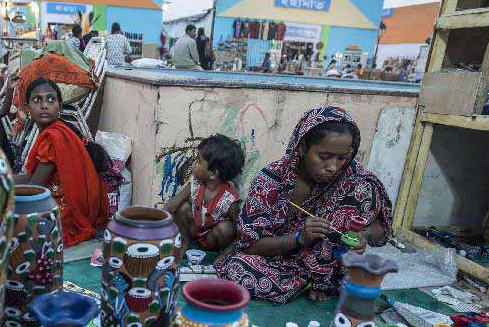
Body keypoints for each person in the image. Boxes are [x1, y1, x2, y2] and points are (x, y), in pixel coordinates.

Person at [215, 106, 392, 303]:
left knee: (361, 190)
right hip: (281, 260)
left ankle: (323, 280)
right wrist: (300, 238)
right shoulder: (271, 181)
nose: (333, 167)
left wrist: (362, 235)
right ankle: (310, 283)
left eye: (341, 158)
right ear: (302, 147)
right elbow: (251, 245)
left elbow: (379, 228)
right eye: (324, 157)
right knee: (239, 267)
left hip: (332, 267)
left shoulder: (355, 179)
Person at [16, 78, 109, 247]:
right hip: (77, 202)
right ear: (27, 107)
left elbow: (34, 187)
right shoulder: (57, 131)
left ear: (59, 106)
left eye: (51, 99)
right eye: (37, 100)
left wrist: (1, 190)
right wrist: (3, 179)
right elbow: (31, 176)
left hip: (71, 212)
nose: (44, 105)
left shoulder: (54, 137)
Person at [164, 134, 244, 252]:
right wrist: (154, 223)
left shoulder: (230, 200)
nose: (194, 164)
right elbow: (171, 206)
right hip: (193, 231)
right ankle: (183, 243)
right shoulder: (195, 184)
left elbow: (241, 231)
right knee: (183, 208)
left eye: (198, 161)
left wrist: (226, 254)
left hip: (211, 239)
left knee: (226, 228)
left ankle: (221, 255)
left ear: (213, 173)